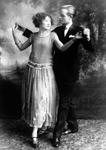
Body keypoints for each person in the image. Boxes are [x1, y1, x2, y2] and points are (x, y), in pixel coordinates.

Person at [16, 5, 94, 147]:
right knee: (66, 100)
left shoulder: (79, 31)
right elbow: (39, 37)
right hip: (54, 71)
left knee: (63, 102)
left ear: (70, 16)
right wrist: (21, 31)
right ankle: (73, 125)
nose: (59, 17)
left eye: (62, 15)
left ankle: (56, 135)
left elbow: (89, 48)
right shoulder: (56, 30)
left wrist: (86, 36)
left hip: (69, 72)